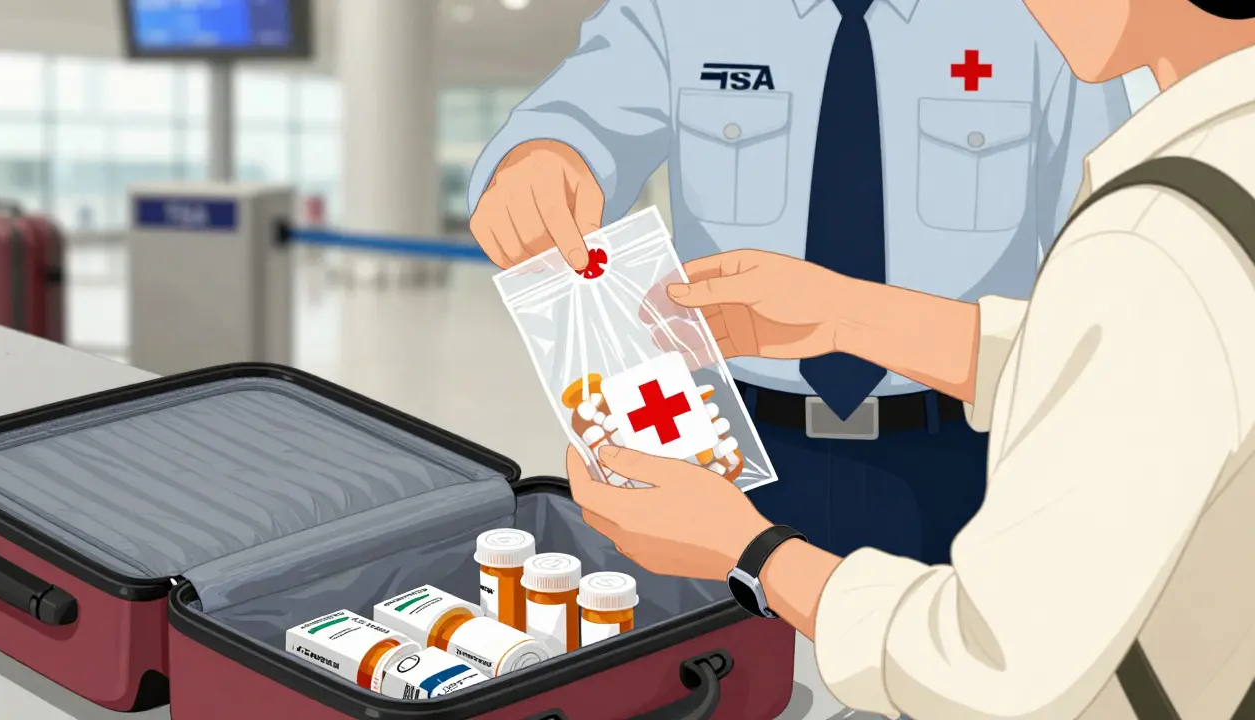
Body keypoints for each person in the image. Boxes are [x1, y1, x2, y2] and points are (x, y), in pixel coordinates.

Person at [566, 0, 1255, 717]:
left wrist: (747, 549)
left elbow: (992, 662)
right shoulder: (1215, 163)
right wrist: (849, 315)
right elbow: (1142, 353)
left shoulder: (1152, 232)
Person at [467, 0, 1130, 564]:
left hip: (971, 449)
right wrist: (542, 157)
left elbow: (1116, 255)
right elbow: (578, 110)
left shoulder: (1048, 18)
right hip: (739, 448)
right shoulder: (684, 9)